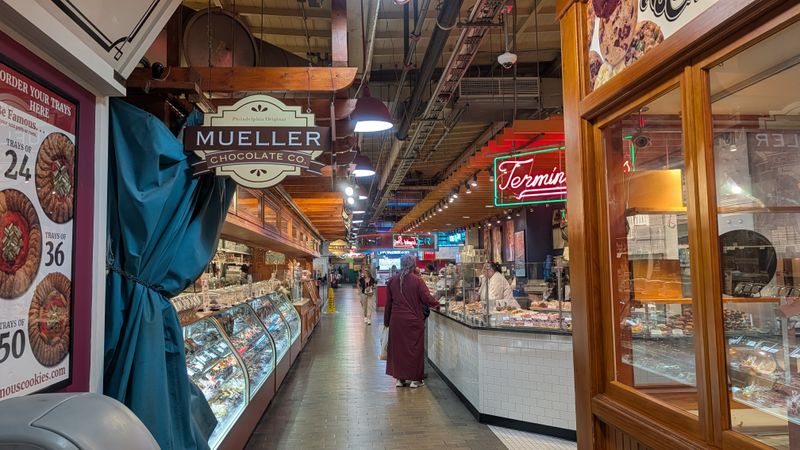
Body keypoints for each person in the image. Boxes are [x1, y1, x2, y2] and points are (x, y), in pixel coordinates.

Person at [384, 254, 439, 388]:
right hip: (413, 320)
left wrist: (387, 321)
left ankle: (399, 379)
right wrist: (438, 304)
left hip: (396, 321)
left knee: (398, 350)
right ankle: (415, 380)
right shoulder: (417, 281)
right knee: (414, 350)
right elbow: (426, 298)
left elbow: (388, 304)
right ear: (413, 265)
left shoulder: (392, 281)